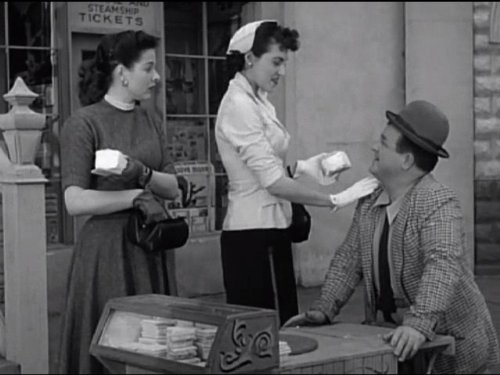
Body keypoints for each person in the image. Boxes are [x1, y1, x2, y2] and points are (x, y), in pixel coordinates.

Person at [284, 100, 500, 374]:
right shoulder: (371, 199)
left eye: (383, 143)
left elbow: (442, 265)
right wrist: (325, 307)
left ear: (406, 160)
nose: (375, 147)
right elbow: (349, 259)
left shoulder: (438, 201)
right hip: (392, 343)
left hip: (453, 351)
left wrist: (419, 322)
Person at [215, 20, 379, 327]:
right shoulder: (239, 105)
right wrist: (334, 198)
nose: (282, 71)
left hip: (270, 229)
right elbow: (272, 182)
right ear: (249, 57)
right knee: (264, 336)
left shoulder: (257, 101)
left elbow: (265, 169)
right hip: (251, 234)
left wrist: (307, 167)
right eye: (276, 62)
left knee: (283, 330)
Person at [58, 30, 186, 374]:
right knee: (113, 347)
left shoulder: (151, 119)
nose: (157, 77)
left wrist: (140, 172)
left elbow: (173, 187)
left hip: (151, 245)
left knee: (155, 345)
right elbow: (74, 200)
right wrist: (133, 195)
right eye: (149, 68)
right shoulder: (83, 123)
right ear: (122, 72)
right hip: (107, 252)